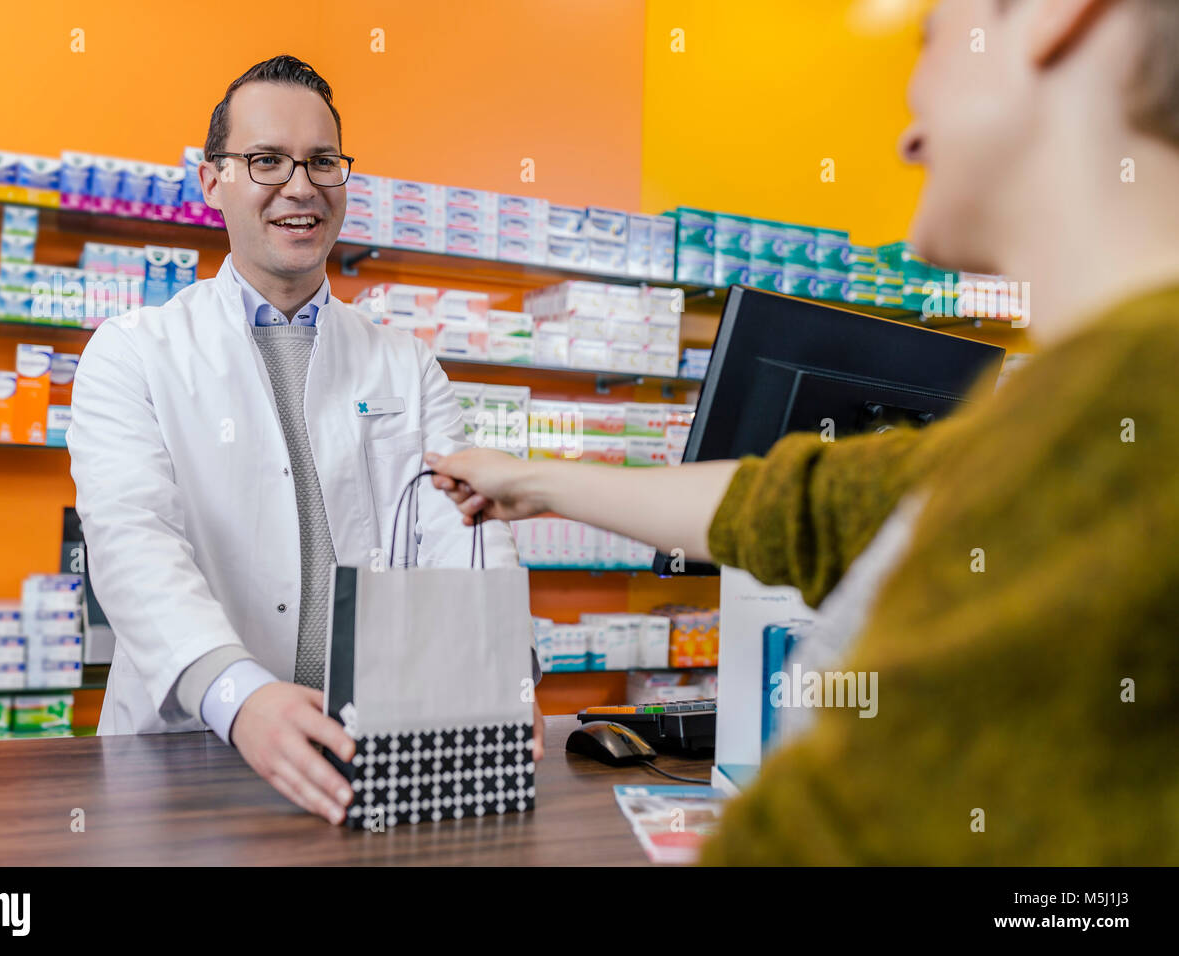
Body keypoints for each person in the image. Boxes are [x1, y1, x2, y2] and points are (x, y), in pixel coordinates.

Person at [426, 0, 1179, 864]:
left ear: (1055, 16)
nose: (905, 137)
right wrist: (535, 479)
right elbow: (804, 504)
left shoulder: (1110, 425)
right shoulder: (1077, 410)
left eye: (929, 36)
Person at [68, 55, 544, 826]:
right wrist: (239, 693)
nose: (300, 186)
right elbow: (130, 539)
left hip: (369, 754)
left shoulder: (405, 361)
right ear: (211, 180)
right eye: (266, 161)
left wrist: (501, 670)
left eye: (322, 161)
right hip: (188, 756)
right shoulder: (133, 351)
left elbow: (463, 530)